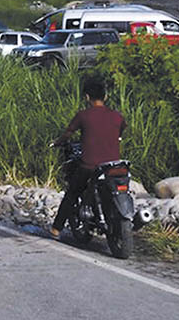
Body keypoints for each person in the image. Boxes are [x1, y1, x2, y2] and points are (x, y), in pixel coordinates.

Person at [49, 78, 125, 239]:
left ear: (87, 97)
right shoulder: (117, 116)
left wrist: (57, 142)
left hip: (90, 166)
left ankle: (56, 229)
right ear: (105, 97)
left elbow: (68, 133)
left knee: (72, 193)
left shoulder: (83, 116)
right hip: (114, 167)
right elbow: (120, 133)